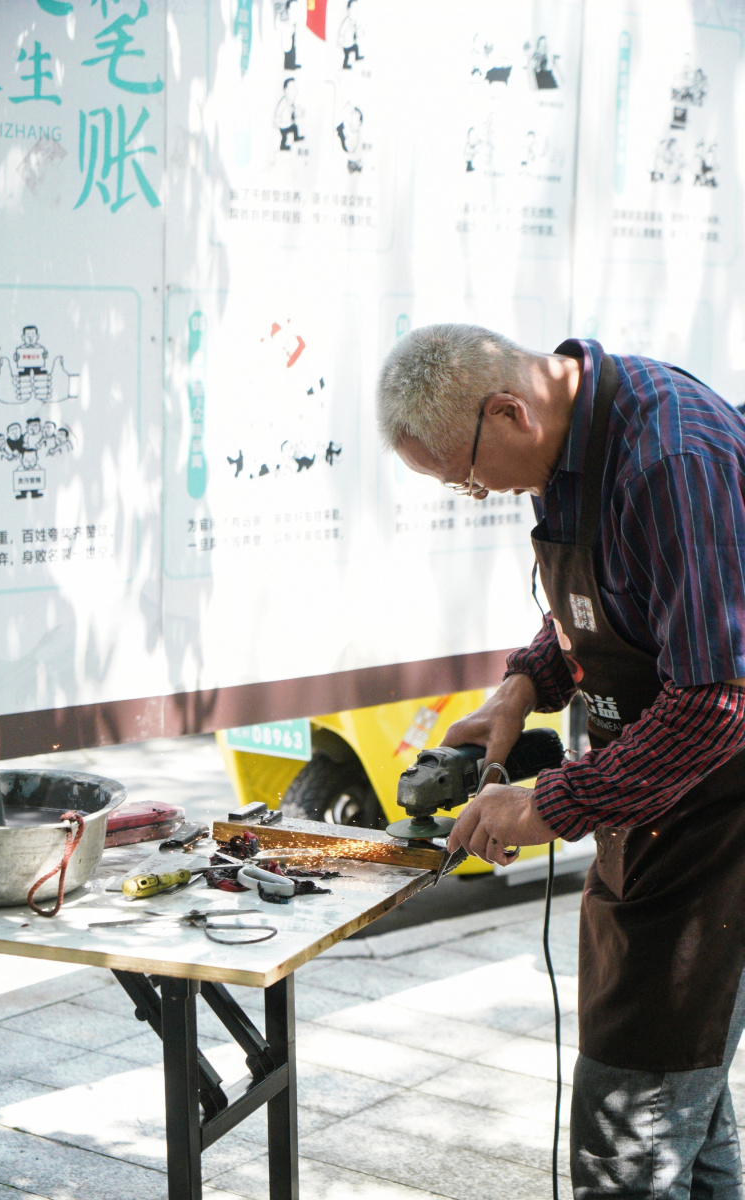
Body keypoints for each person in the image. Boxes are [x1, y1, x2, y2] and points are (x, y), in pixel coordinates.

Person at [376, 323, 745, 1198]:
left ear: (509, 411)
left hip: (720, 821)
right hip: (647, 811)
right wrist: (522, 686)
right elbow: (619, 599)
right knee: (687, 1111)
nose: (480, 494)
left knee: (633, 1130)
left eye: (469, 479)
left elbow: (716, 698)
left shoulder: (672, 459)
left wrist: (550, 803)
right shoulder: (571, 447)